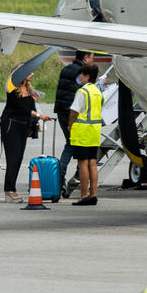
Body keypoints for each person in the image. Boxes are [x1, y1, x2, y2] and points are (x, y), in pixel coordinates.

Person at [0, 69, 53, 200]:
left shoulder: (27, 88)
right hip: (11, 124)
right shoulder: (12, 88)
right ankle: (9, 190)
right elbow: (21, 108)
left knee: (18, 158)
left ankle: (11, 189)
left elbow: (29, 108)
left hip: (22, 125)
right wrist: (39, 115)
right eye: (29, 72)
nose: (32, 74)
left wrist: (33, 99)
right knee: (13, 158)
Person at [55, 51, 91, 195]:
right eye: (91, 57)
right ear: (85, 58)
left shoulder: (66, 69)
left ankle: (62, 177)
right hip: (72, 113)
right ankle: (63, 177)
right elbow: (81, 91)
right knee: (74, 144)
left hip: (60, 110)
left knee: (69, 143)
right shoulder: (82, 72)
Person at [68, 63, 103, 206]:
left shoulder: (82, 92)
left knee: (82, 164)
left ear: (87, 76)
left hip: (83, 132)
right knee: (93, 163)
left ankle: (83, 196)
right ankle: (93, 194)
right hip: (95, 131)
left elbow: (74, 111)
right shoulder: (97, 91)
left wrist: (70, 123)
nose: (79, 77)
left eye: (81, 75)